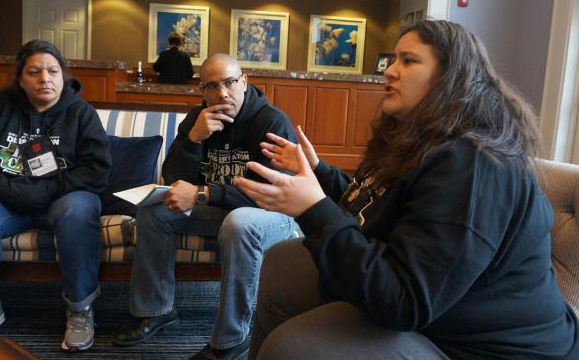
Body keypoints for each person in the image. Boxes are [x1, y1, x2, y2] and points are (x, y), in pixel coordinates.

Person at [235, 20, 579, 359]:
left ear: (450, 78)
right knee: (285, 261)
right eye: (394, 59)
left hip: (487, 347)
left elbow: (405, 302)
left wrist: (313, 210)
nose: (390, 70)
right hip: (439, 315)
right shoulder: (423, 140)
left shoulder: (472, 166)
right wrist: (320, 174)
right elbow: (383, 211)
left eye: (409, 61)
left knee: (294, 346)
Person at [112, 53, 299, 359]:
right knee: (153, 210)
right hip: (222, 211)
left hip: (274, 215)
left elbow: (268, 193)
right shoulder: (197, 118)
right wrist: (194, 139)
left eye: (230, 83)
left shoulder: (271, 122)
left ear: (244, 82)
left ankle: (233, 341)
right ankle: (156, 309)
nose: (223, 93)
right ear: (202, 91)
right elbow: (173, 178)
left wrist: (202, 194)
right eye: (212, 86)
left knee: (239, 223)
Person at [0, 39, 111, 352]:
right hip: (5, 201)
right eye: (34, 72)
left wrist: (44, 191)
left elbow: (96, 172)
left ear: (63, 76)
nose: (44, 78)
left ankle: (80, 309)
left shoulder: (81, 113)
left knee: (81, 209)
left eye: (52, 71)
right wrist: (12, 190)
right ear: (21, 79)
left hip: (63, 201)